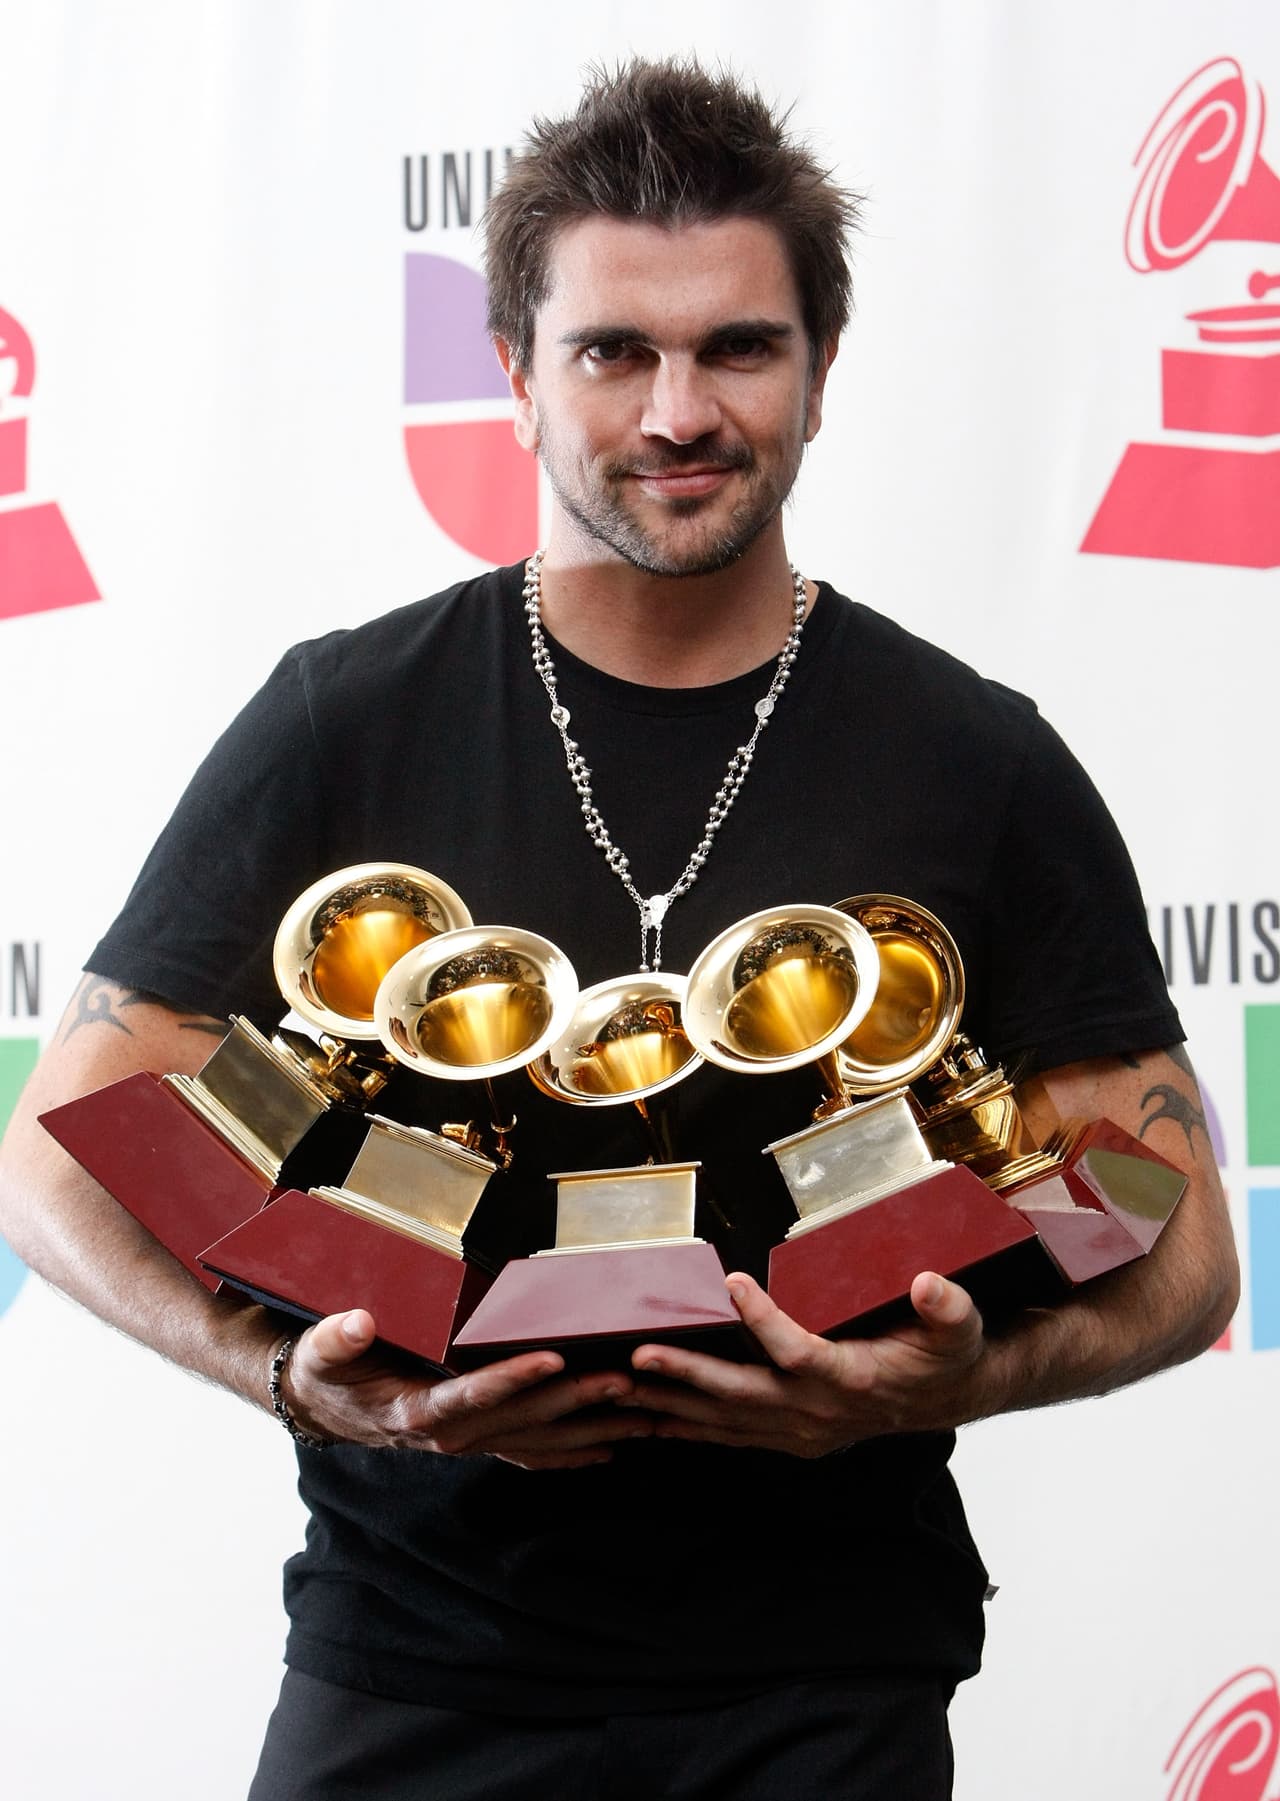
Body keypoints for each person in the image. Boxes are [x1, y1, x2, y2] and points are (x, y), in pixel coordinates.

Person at [0, 58, 1237, 1801]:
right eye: (612, 351)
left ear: (819, 374)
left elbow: (1186, 1254)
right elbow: (53, 1158)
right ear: (513, 373)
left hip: (819, 1695)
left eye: (740, 346)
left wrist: (918, 1387)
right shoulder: (340, 721)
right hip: (409, 1679)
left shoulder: (978, 759)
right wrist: (299, 1378)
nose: (679, 410)